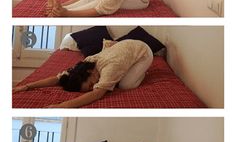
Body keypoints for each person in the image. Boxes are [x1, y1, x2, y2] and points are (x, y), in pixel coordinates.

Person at [13, 39, 154, 108]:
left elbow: (97, 94)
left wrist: (61, 106)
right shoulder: (88, 62)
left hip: (143, 52)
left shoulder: (110, 67)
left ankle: (142, 71)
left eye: (92, 84)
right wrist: (27, 87)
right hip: (123, 47)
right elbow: (58, 78)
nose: (94, 86)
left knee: (125, 85)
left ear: (89, 73)